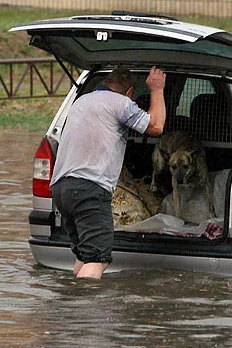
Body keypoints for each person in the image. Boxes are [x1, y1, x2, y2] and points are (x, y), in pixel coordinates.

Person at [50, 67, 167, 279]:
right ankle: (84, 309)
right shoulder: (120, 103)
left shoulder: (82, 101)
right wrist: (157, 89)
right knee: (97, 259)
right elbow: (157, 126)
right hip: (89, 188)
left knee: (85, 256)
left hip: (61, 188)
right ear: (130, 92)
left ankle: (72, 305)